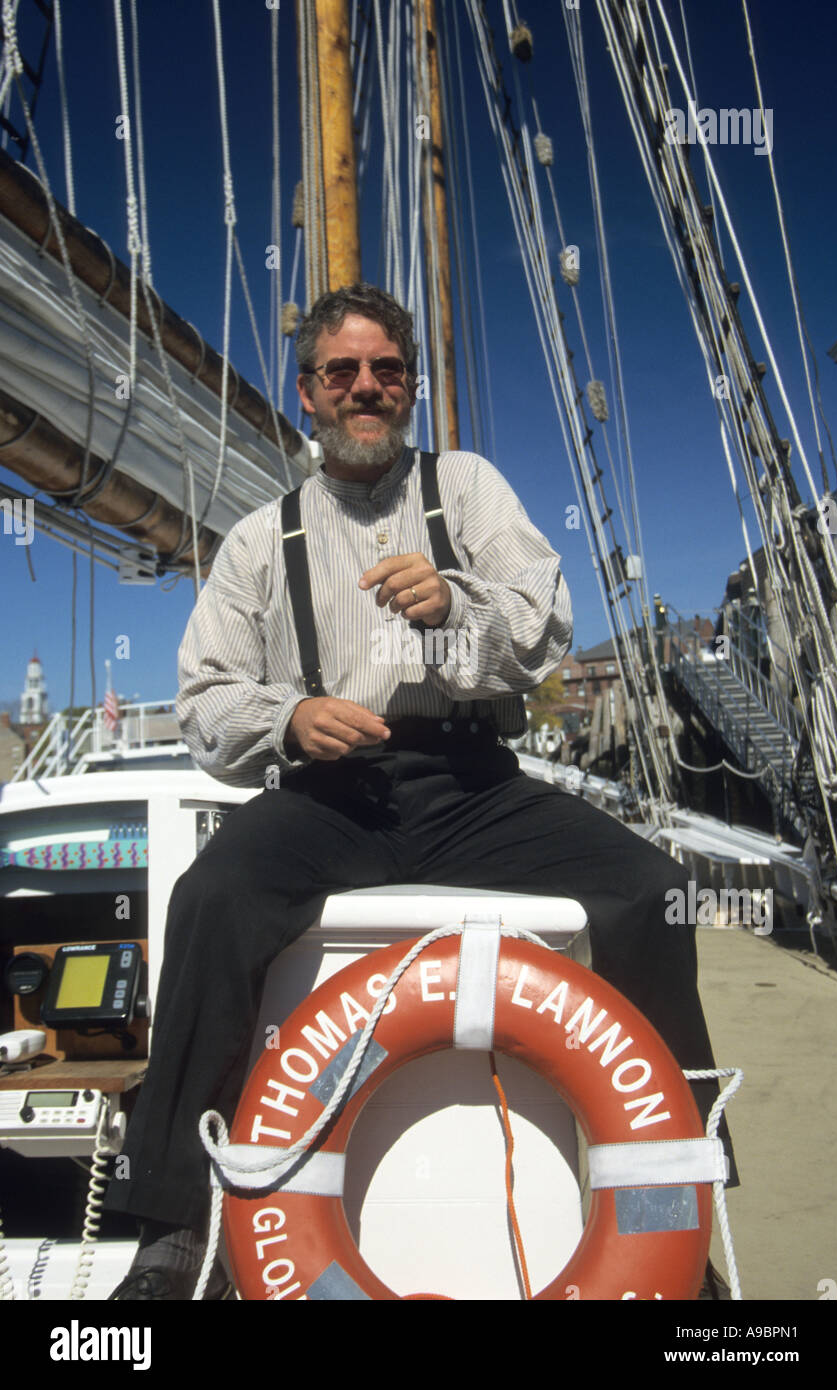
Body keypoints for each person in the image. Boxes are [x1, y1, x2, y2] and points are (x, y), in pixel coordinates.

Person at [106, 283, 733, 1299]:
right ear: (307, 392)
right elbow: (204, 700)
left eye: (386, 370)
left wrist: (454, 604)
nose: (366, 387)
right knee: (212, 900)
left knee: (653, 891)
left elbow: (543, 626)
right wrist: (290, 718)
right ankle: (172, 1226)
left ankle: (680, 1205)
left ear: (410, 388)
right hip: (329, 791)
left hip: (473, 780)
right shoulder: (263, 541)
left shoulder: (468, 490)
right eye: (341, 372)